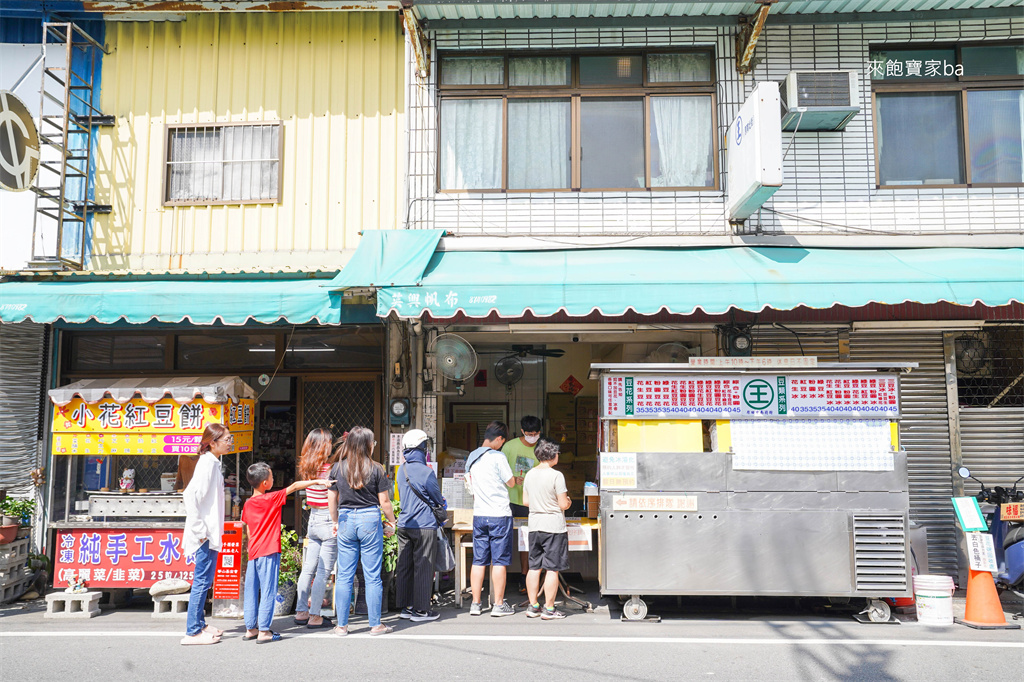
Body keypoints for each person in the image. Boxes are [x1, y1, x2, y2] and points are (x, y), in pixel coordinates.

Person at [241, 461, 332, 644]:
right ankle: (264, 631)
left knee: (251, 591)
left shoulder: (248, 504)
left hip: (254, 553)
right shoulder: (270, 498)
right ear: (265, 483)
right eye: (272, 476)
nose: (274, 479)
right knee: (268, 591)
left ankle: (251, 628)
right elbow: (295, 486)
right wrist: (317, 482)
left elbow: (248, 531)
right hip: (269, 551)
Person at [328, 426, 397, 636]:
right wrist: (392, 523)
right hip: (369, 519)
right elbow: (384, 501)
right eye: (373, 443)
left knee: (344, 576)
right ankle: (375, 625)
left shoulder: (337, 468)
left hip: (346, 518)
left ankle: (341, 626)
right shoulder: (376, 468)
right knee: (372, 576)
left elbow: (332, 498)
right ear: (368, 445)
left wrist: (335, 520)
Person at [180, 423, 230, 645]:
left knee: (205, 580)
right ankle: (192, 631)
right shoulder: (207, 465)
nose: (230, 443)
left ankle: (200, 624)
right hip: (205, 534)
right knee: (201, 581)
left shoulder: (211, 463)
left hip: (208, 532)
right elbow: (190, 496)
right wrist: (200, 531)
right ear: (212, 442)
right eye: (227, 439)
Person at [465, 421, 516, 617]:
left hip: (479, 514)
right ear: (499, 439)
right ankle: (498, 605)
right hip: (499, 515)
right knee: (499, 561)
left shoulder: (472, 456)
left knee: (479, 560)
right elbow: (510, 483)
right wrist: (516, 480)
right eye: (503, 441)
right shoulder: (498, 456)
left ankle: (476, 604)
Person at [396, 429, 445, 623]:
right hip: (424, 525)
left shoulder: (402, 470)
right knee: (424, 566)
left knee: (405, 566)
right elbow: (436, 498)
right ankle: (422, 611)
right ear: (422, 448)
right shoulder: (427, 472)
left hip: (404, 524)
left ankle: (406, 607)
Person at [294, 428, 339, 629]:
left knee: (308, 568)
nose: (330, 445)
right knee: (323, 571)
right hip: (327, 520)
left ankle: (301, 611)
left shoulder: (306, 467)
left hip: (311, 520)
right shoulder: (330, 470)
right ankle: (315, 616)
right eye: (329, 442)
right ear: (323, 446)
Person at [522, 438, 571, 620]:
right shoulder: (556, 475)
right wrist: (568, 502)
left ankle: (533, 606)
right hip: (553, 526)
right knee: (552, 569)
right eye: (557, 453)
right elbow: (563, 504)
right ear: (553, 455)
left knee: (534, 567)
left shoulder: (529, 474)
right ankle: (549, 609)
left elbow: (526, 502)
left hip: (534, 525)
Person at [501, 415, 541, 590]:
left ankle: (525, 576)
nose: (533, 437)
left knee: (528, 541)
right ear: (523, 431)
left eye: (536, 433)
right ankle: (501, 577)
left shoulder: (541, 448)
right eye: (529, 433)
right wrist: (511, 480)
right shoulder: (509, 447)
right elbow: (498, 474)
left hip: (531, 502)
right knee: (504, 540)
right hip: (509, 500)